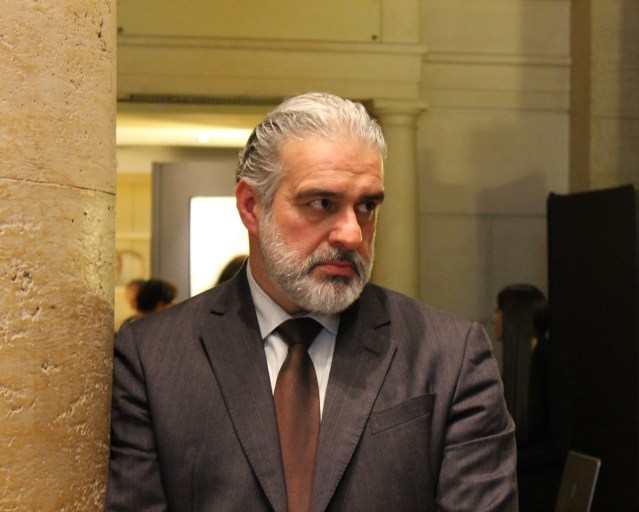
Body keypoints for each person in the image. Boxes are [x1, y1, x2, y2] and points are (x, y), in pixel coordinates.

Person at [107, 92, 517, 511]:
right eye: (322, 203)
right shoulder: (154, 358)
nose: (352, 234)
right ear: (251, 206)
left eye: (367, 206)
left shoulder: (448, 355)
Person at [495, 284, 575, 512]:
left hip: (541, 487)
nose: (494, 318)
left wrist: (508, 461)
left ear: (515, 318)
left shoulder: (551, 362)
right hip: (519, 481)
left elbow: (558, 443)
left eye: (499, 311)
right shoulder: (517, 365)